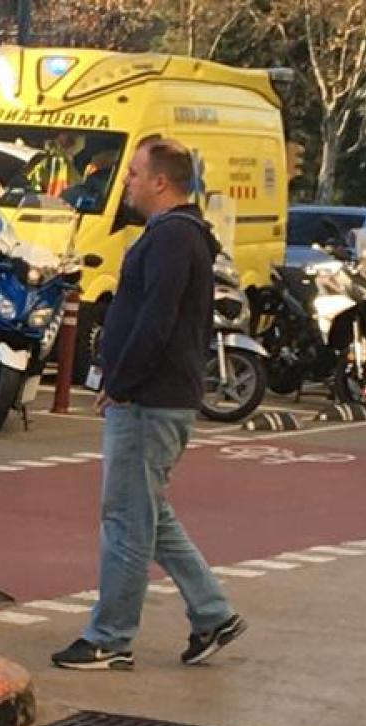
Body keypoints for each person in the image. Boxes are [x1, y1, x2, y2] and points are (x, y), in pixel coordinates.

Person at [52, 137, 247, 671]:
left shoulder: (170, 240)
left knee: (126, 522)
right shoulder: (182, 236)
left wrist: (121, 382)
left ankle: (110, 637)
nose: (129, 182)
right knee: (149, 514)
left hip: (149, 400)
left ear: (161, 181)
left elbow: (154, 321)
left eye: (135, 173)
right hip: (158, 396)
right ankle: (212, 612)